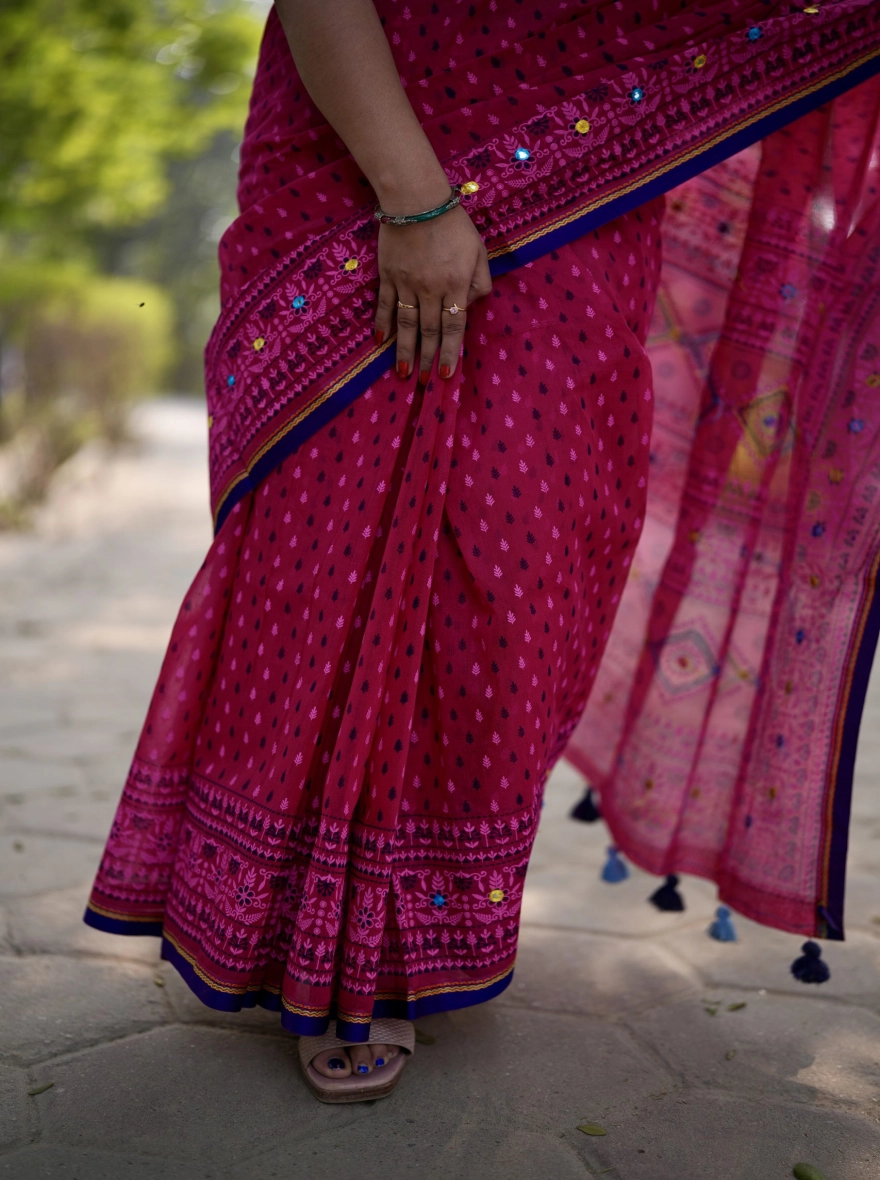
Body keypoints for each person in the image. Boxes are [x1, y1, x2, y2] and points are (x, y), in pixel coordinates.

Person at [85, 0, 880, 1101]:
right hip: (363, 168)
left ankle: (404, 918)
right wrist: (414, 201)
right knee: (327, 548)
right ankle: (337, 947)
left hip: (582, 187)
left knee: (517, 565)